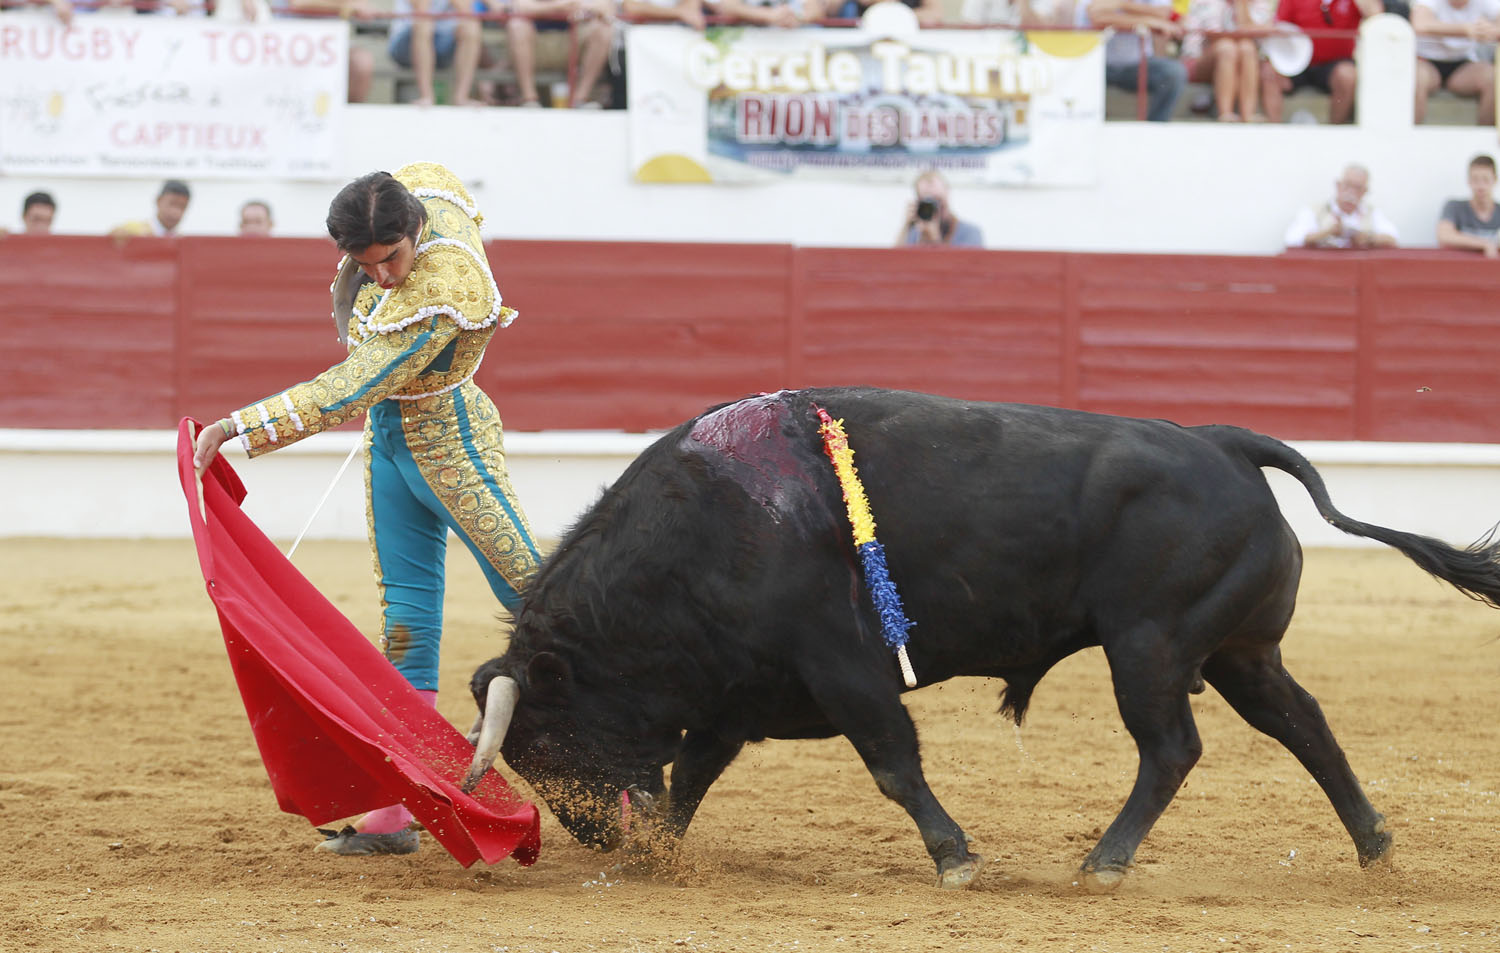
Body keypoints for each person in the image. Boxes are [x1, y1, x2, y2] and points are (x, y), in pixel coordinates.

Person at [191, 163, 543, 856]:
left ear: (414, 232)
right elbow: (428, 178)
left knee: (536, 593)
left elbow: (351, 385)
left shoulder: (443, 288)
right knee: (405, 617)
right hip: (390, 443)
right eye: (364, 263)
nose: (381, 277)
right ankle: (397, 807)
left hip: (454, 445)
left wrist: (236, 425)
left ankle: (624, 773)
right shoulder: (423, 191)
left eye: (390, 259)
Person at [1260, 0, 1382, 124]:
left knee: (1347, 75)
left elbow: (1377, 16)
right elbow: (1278, 25)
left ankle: (1336, 132)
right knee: (1269, 73)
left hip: (1335, 65)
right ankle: (1276, 133)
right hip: (1296, 64)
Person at [1080, 0, 1189, 122]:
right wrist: (1148, 21)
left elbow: (1164, 13)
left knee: (1174, 72)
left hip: (1137, 66)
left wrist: (1119, 5)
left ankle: (1155, 130)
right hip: (1096, 66)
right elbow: (1096, 15)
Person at [507, 0, 616, 107]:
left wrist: (577, 5)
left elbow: (606, 6)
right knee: (517, 25)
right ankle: (529, 100)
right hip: (537, 45)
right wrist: (560, 6)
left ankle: (580, 99)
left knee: (603, 29)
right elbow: (519, 6)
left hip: (574, 43)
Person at [1181, 0, 1273, 121]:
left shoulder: (1259, 4)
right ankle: (1225, 113)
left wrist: (1241, 5)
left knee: (1247, 48)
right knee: (1228, 48)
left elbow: (1256, 36)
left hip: (1240, 54)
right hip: (1201, 58)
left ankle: (1248, 115)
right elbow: (1214, 35)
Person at [1412, 0, 1500, 125]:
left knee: (1493, 78)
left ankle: (1486, 139)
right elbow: (1420, 24)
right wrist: (1464, 29)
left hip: (1462, 64)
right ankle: (1409, 138)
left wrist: (1490, 31)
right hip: (1426, 62)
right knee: (1416, 79)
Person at [388, 0, 487, 106]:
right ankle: (426, 96)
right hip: (404, 43)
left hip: (443, 43)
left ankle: (461, 97)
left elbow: (465, 10)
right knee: (423, 23)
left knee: (471, 26)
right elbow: (422, 7)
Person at [1283, 162, 1399, 248]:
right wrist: (1326, 233)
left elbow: (1393, 238)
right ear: (1338, 185)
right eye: (1347, 185)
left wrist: (1368, 238)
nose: (1351, 192)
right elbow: (1291, 239)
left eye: (1357, 188)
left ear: (1364, 192)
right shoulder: (1315, 211)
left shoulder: (1371, 213)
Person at [896, 170, 984, 248]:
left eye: (938, 200)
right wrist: (906, 226)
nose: (935, 208)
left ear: (947, 192)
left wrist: (935, 239)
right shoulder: (915, 232)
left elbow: (965, 265)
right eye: (926, 202)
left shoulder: (970, 233)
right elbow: (895, 261)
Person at [1436, 153, 1500, 256]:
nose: (1481, 186)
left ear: (1495, 180)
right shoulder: (1454, 207)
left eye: (1486, 179)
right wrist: (1485, 244)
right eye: (1475, 179)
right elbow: (1444, 236)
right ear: (1469, 181)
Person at [109, 180, 191, 238]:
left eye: (182, 206)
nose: (175, 212)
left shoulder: (182, 241)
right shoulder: (131, 232)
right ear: (158, 201)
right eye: (172, 204)